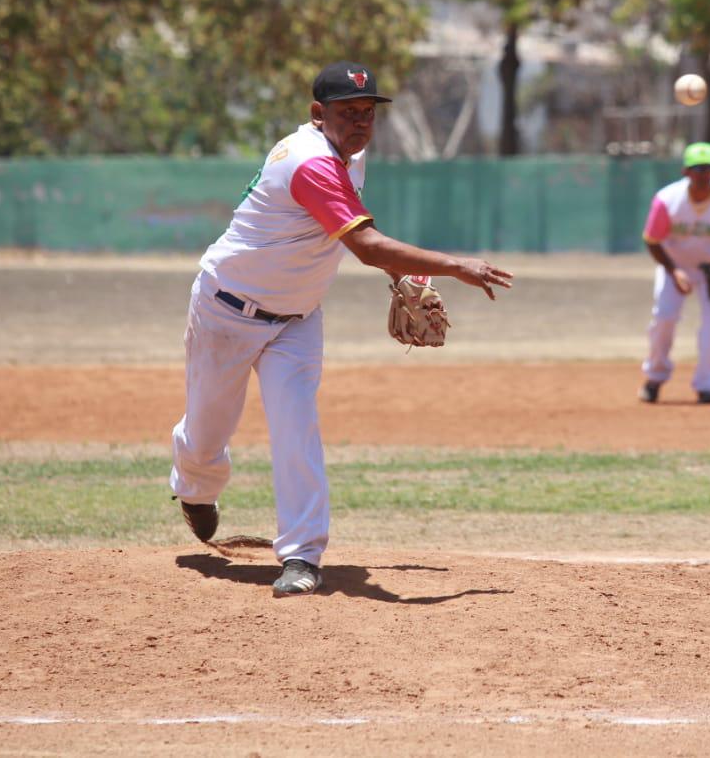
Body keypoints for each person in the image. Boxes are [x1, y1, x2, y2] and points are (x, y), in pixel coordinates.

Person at [170, 61, 514, 597]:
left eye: (367, 112)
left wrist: (402, 273)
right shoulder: (310, 162)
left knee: (297, 427)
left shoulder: (348, 155)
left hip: (297, 320)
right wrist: (456, 266)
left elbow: (351, 227)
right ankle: (195, 487)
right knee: (207, 432)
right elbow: (367, 246)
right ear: (318, 113)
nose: (359, 122)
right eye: (347, 111)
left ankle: (302, 556)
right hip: (228, 311)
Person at [638, 141, 710, 405]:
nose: (703, 174)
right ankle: (654, 377)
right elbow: (652, 240)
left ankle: (707, 386)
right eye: (697, 168)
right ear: (685, 172)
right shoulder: (667, 199)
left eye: (708, 168)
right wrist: (673, 271)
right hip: (674, 266)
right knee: (664, 319)